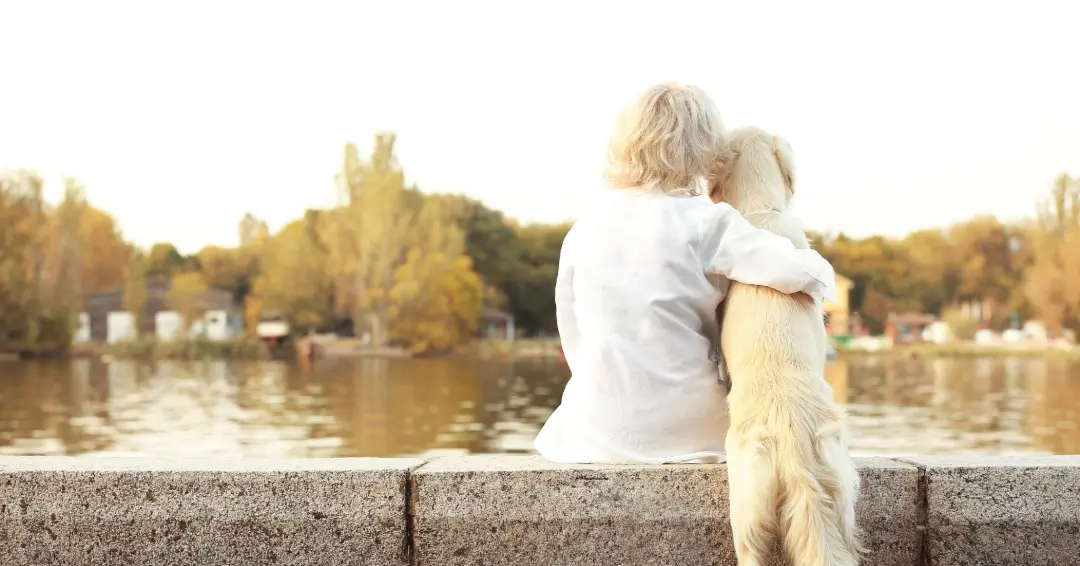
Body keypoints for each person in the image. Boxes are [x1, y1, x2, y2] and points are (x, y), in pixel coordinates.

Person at [533, 83, 837, 464]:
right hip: (689, 433)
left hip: (591, 429)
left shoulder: (583, 229)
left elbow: (574, 332)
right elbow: (798, 273)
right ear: (706, 150)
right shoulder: (706, 222)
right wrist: (817, 264)